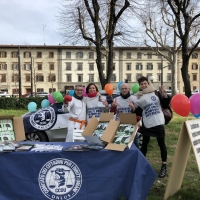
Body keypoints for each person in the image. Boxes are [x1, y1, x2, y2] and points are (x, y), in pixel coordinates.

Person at [134, 76, 170, 178]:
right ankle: (142, 165)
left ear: (148, 83)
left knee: (161, 144)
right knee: (144, 145)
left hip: (158, 122)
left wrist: (165, 96)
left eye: (145, 83)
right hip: (147, 123)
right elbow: (140, 112)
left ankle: (164, 166)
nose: (144, 85)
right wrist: (134, 109)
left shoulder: (156, 92)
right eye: (141, 84)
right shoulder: (139, 97)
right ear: (140, 86)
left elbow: (165, 104)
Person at [110, 83, 140, 149]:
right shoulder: (116, 99)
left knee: (135, 144)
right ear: (120, 90)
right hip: (120, 126)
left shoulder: (134, 98)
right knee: (120, 144)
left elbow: (139, 112)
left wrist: (133, 108)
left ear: (128, 89)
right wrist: (113, 107)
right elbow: (112, 113)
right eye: (122, 89)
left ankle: (138, 157)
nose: (124, 90)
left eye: (125, 88)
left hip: (132, 125)